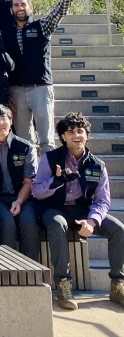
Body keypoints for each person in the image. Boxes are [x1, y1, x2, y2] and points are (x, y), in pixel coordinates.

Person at [32, 112, 124, 311]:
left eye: (80, 131)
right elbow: (37, 192)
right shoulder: (50, 159)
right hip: (53, 208)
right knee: (57, 224)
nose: (76, 135)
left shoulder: (97, 165)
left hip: (82, 211)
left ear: (87, 135)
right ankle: (63, 283)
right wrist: (56, 181)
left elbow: (102, 200)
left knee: (118, 229)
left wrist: (92, 221)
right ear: (63, 137)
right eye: (70, 131)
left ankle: (117, 284)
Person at [3, 0, 75, 151]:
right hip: (17, 89)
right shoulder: (4, 33)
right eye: (16, 5)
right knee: (23, 139)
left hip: (40, 87)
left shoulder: (42, 26)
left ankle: (49, 176)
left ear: (31, 7)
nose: (20, 8)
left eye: (23, 4)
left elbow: (59, 12)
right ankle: (29, 177)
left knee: (46, 139)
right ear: (11, 10)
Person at [0, 105, 39, 260]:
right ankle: (9, 270)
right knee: (6, 224)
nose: (0, 123)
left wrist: (19, 201)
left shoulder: (25, 146)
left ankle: (31, 271)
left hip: (23, 198)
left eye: (3, 118)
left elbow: (29, 181)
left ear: (11, 121)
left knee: (29, 224)